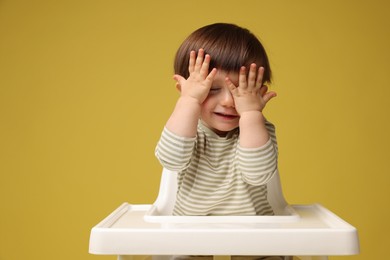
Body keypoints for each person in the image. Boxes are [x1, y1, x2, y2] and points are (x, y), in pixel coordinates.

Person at [155, 22, 286, 260]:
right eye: (211, 89)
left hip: (254, 232)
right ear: (185, 89)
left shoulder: (259, 129)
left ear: (259, 93)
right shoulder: (188, 128)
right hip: (189, 232)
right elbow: (171, 160)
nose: (228, 101)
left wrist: (250, 113)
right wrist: (189, 102)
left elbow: (257, 173)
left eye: (240, 91)